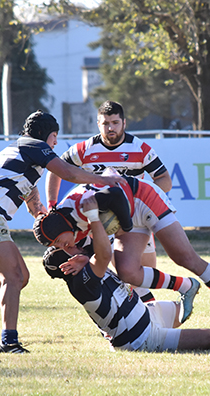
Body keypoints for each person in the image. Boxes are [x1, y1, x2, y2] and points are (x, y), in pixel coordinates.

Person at [0, 111, 122, 354]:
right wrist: (103, 181)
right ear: (48, 135)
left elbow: (28, 189)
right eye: (55, 138)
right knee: (14, 276)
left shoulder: (19, 149)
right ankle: (8, 342)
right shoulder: (35, 146)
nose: (55, 144)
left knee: (20, 276)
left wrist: (39, 211)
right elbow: (69, 173)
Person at [34, 175, 210, 349]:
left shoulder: (80, 206)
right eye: (57, 246)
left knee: (184, 257)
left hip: (142, 198)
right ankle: (186, 286)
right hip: (125, 212)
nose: (63, 247)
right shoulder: (66, 226)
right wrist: (87, 257)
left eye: (59, 241)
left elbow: (116, 194)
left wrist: (125, 227)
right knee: (127, 272)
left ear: (61, 228)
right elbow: (97, 252)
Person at [45, 100, 171, 303]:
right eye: (105, 123)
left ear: (124, 123)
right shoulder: (85, 149)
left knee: (145, 277)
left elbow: (164, 179)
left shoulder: (140, 148)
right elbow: (55, 169)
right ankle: (139, 324)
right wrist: (52, 204)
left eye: (115, 122)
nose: (110, 128)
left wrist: (142, 197)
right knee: (124, 277)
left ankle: (151, 320)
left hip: (135, 220)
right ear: (98, 124)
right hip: (101, 225)